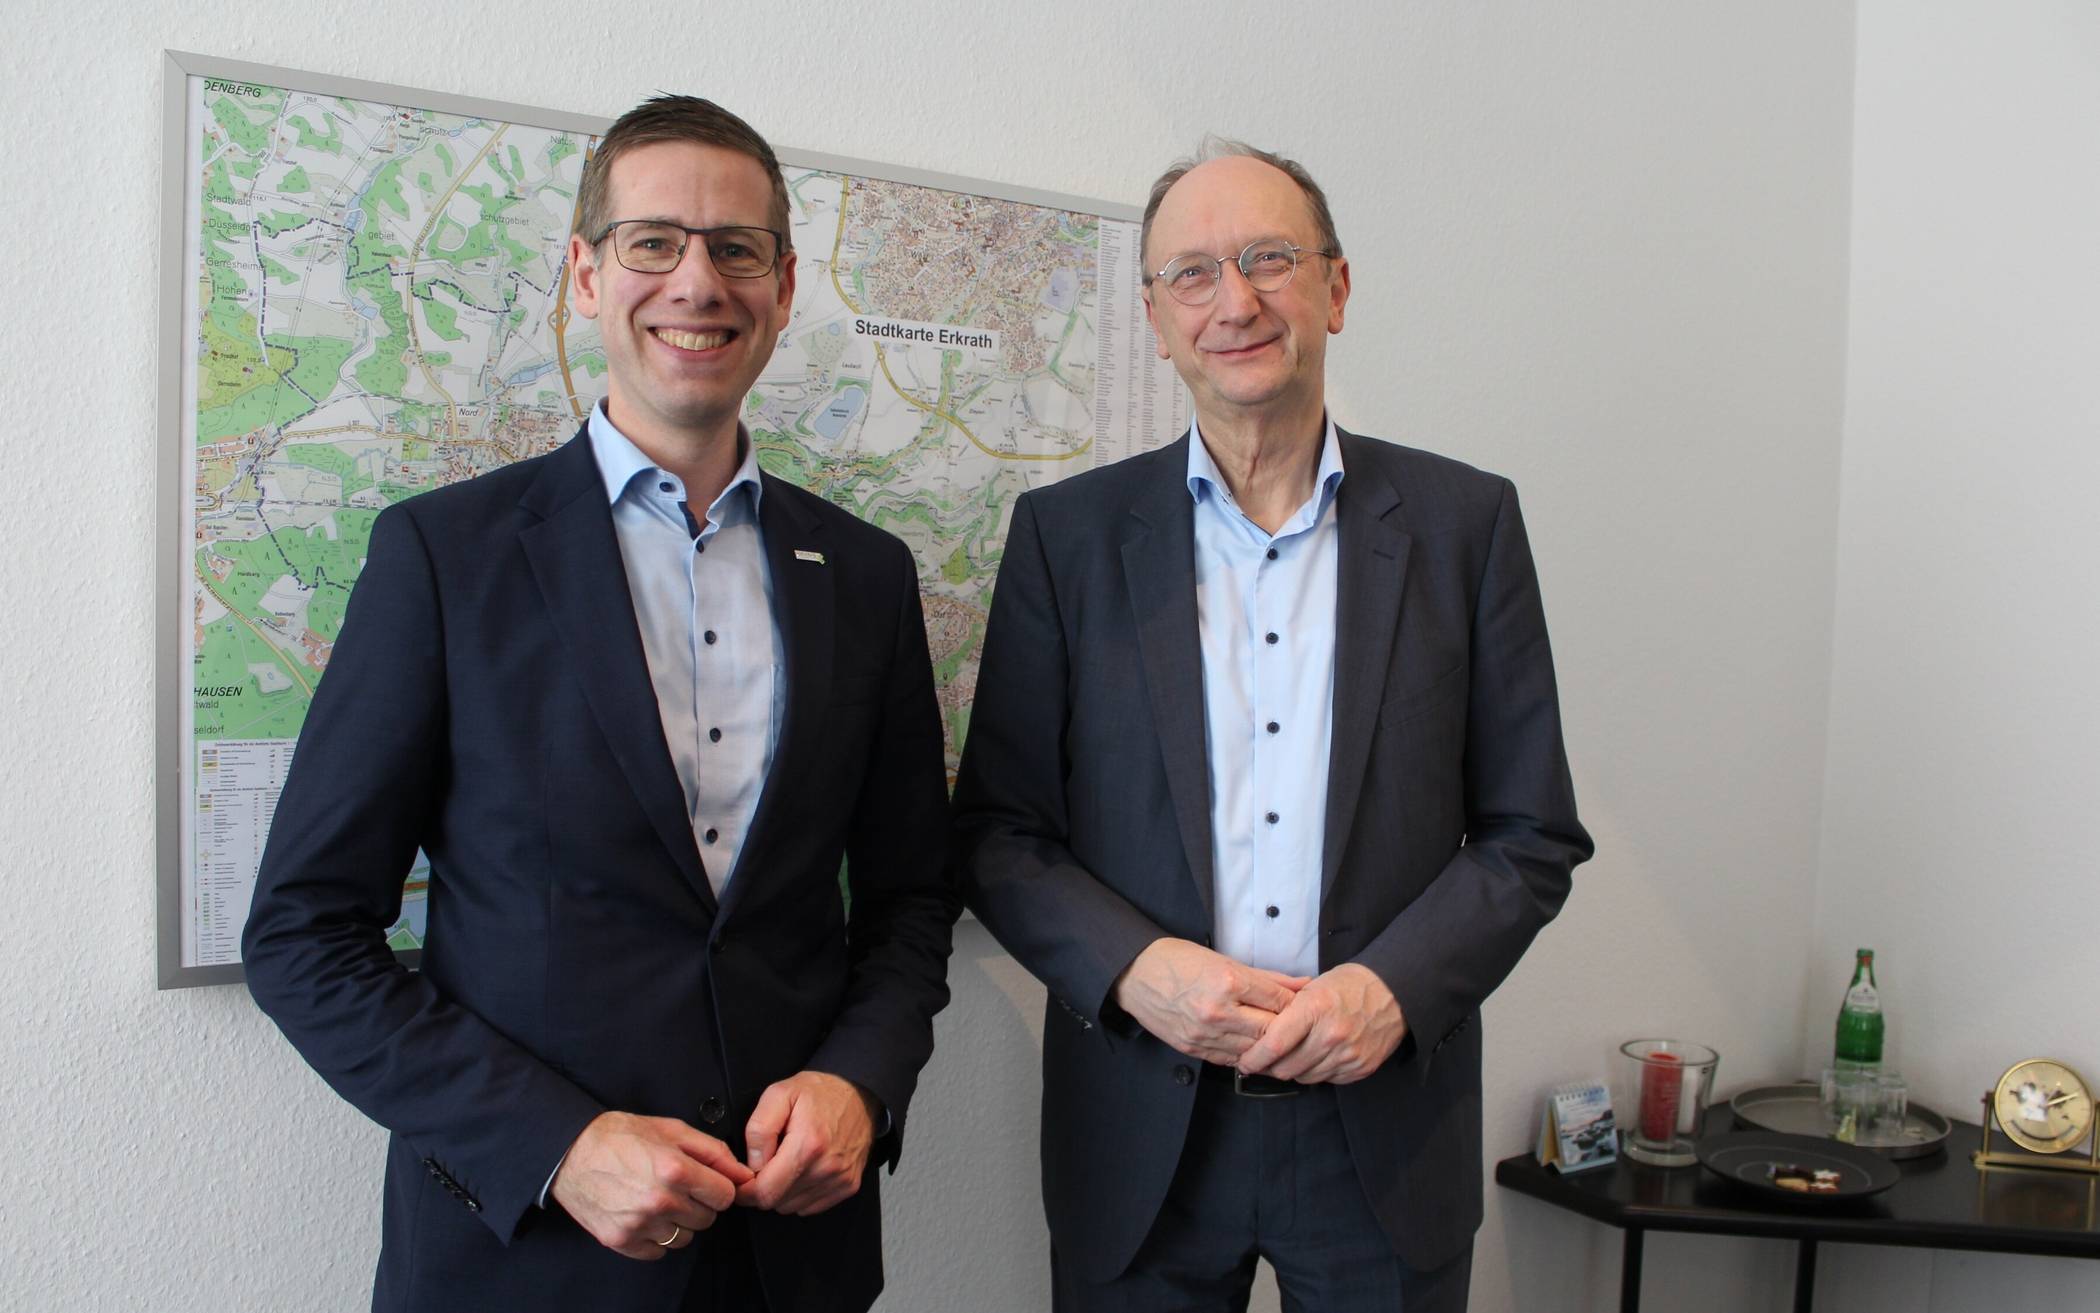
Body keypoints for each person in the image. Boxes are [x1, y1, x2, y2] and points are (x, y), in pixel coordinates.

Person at [243, 95, 957, 1313]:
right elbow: (306, 933)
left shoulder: (869, 575)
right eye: (653, 242)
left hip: (792, 1257)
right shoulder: (444, 558)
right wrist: (556, 1142)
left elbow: (907, 899)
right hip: (523, 1257)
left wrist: (862, 1080)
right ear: (585, 272)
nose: (698, 280)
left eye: (737, 249)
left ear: (782, 288)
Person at [953, 138, 1592, 1312]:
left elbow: (1529, 831)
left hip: (1384, 1132)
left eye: (1268, 259)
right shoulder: (1068, 539)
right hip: (1143, 1127)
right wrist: (1136, 970)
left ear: (1336, 288)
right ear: (1154, 316)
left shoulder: (1465, 525)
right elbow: (999, 830)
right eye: (1192, 273)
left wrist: (1395, 989)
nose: (1233, 300)